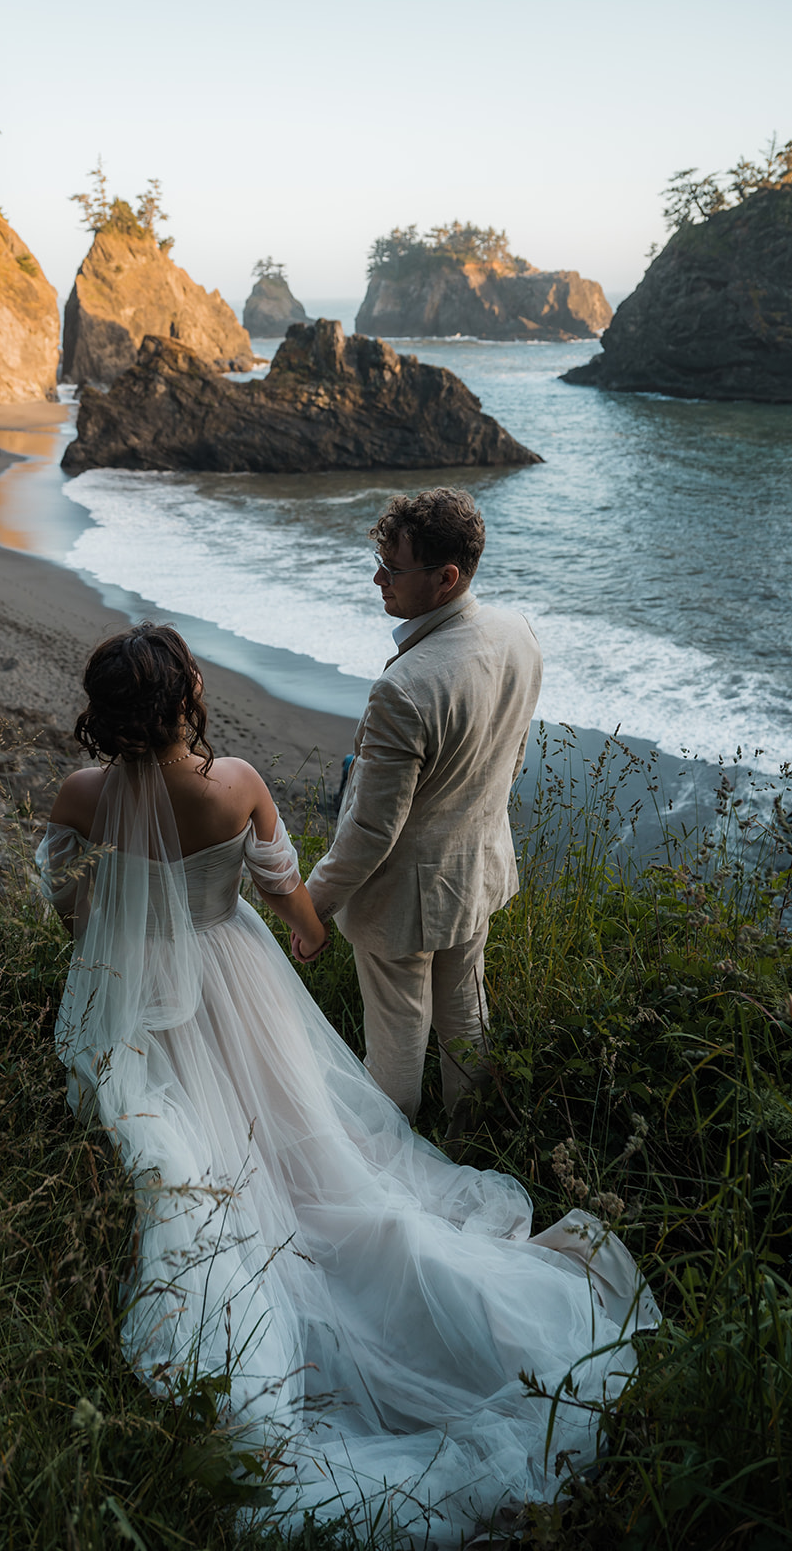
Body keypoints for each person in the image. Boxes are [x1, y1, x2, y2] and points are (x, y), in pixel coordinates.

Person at [37, 623, 656, 1549]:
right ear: (185, 699)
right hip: (236, 972)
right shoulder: (233, 781)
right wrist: (309, 934)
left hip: (137, 983)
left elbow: (57, 881)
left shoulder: (81, 793)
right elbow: (281, 880)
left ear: (106, 710)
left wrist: (104, 928)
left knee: (179, 1125)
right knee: (301, 1120)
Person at [302, 489, 543, 1132]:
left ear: (446, 578)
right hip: (476, 869)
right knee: (466, 1017)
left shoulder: (404, 690)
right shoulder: (517, 633)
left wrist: (312, 907)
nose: (378, 579)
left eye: (393, 568)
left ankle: (389, 1172)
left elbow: (371, 831)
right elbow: (511, 761)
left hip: (400, 903)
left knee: (396, 1048)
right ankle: (471, 1141)